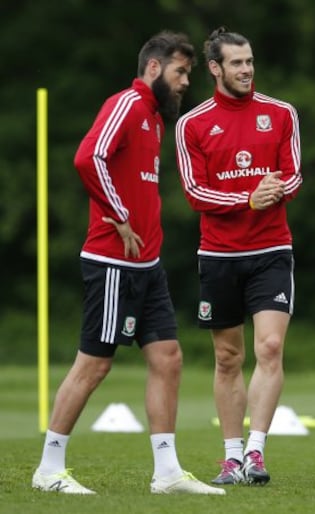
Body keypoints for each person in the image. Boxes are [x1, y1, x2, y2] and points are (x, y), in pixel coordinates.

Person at [32, 30, 225, 496]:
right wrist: (118, 216)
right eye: (180, 72)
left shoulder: (156, 120)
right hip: (112, 262)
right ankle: (49, 469)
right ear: (154, 68)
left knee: (168, 358)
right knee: (95, 365)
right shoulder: (127, 104)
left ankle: (167, 474)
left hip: (147, 266)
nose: (184, 82)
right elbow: (88, 157)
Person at [175, 27, 302, 486]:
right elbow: (193, 192)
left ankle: (255, 453)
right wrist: (246, 199)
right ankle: (230, 457)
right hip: (219, 255)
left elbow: (293, 175)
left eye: (249, 61)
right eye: (236, 63)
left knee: (269, 347)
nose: (246, 69)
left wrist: (277, 189)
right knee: (228, 358)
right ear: (215, 68)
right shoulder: (192, 124)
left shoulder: (281, 113)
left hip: (271, 250)